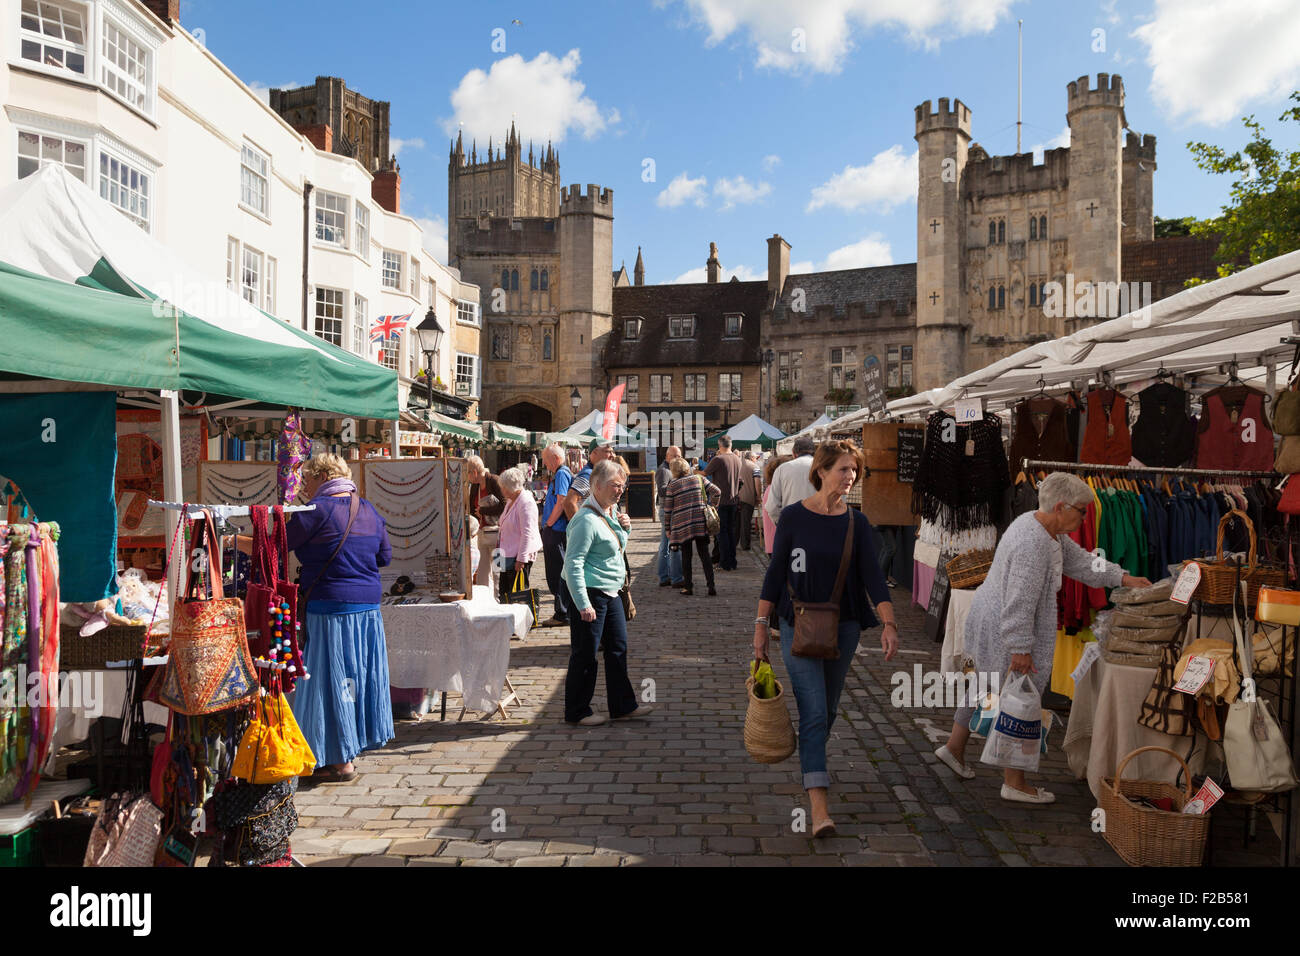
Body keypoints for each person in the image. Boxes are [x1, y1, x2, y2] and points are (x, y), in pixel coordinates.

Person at [935, 472, 1151, 803]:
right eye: (1081, 511)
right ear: (1061, 506)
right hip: (1003, 627)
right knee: (1019, 698)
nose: (1085, 517)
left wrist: (1121, 577)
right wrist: (1020, 649)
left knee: (985, 686)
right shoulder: (1033, 544)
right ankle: (1014, 781)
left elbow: (1080, 562)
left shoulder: (1040, 527)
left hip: (989, 619)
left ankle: (954, 748)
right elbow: (1019, 602)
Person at [754, 440, 899, 837]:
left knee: (828, 710)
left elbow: (873, 577)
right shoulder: (794, 518)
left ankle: (811, 753)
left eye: (855, 470)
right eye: (843, 470)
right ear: (820, 471)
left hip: (845, 627)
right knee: (815, 712)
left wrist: (889, 624)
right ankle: (820, 809)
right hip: (796, 623)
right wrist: (760, 627)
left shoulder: (857, 523)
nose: (850, 477)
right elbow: (774, 572)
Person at [288, 452, 395, 784]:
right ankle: (347, 750)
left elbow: (276, 545)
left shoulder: (315, 511)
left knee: (328, 682)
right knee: (354, 679)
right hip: (366, 609)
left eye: (306, 479)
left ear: (322, 477)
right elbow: (385, 557)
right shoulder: (369, 510)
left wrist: (233, 540)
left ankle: (336, 759)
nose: (304, 486)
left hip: (330, 608)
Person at [562, 460, 654, 725]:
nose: (620, 491)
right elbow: (573, 563)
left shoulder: (607, 512)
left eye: (622, 486)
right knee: (586, 653)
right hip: (590, 592)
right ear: (597, 486)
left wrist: (625, 527)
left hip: (610, 591)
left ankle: (622, 705)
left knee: (617, 648)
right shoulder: (586, 519)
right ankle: (577, 711)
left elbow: (614, 549)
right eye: (616, 485)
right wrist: (582, 603)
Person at [664, 456, 720, 596]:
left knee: (686, 556)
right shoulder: (698, 479)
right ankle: (711, 586)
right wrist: (713, 505)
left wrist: (667, 528)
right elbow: (717, 491)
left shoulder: (673, 485)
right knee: (705, 555)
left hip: (683, 525)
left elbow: (668, 509)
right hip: (700, 523)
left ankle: (688, 587)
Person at [496, 466, 542, 605]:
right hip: (504, 551)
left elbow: (527, 532)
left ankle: (518, 620)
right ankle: (505, 618)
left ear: (511, 487)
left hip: (517, 555)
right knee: (503, 590)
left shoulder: (525, 501)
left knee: (516, 592)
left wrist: (521, 559)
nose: (502, 490)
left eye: (503, 487)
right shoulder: (511, 500)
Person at [539, 444, 573, 628]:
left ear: (555, 458)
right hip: (556, 530)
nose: (544, 463)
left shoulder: (561, 473)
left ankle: (562, 613)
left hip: (557, 530)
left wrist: (548, 523)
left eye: (546, 459)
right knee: (556, 572)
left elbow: (561, 501)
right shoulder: (560, 473)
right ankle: (562, 611)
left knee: (557, 572)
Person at [466, 456, 505, 595]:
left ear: (474, 472)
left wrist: (483, 511)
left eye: (468, 473)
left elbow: (504, 504)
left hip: (499, 535)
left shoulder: (494, 480)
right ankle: (485, 601)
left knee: (498, 570)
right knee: (482, 572)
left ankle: (499, 600)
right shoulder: (475, 486)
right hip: (482, 534)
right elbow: (471, 508)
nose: (468, 477)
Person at [705, 436, 744, 571]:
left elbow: (704, 473)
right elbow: (741, 481)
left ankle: (725, 563)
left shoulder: (718, 459)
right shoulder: (737, 459)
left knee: (722, 533)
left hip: (721, 502)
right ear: (731, 445)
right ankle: (732, 561)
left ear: (719, 445)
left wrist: (693, 471)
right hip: (733, 500)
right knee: (730, 533)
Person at [764, 435, 817, 528]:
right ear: (814, 452)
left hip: (791, 526)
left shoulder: (782, 469)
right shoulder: (825, 468)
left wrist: (782, 524)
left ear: (793, 453)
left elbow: (772, 507)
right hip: (818, 526)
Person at [655, 446, 685, 587]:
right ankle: (676, 578)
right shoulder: (663, 470)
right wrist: (678, 486)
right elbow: (661, 491)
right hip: (667, 511)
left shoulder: (672, 469)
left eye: (679, 456)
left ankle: (664, 577)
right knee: (673, 545)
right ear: (668, 456)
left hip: (671, 511)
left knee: (665, 545)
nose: (679, 458)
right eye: (676, 456)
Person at [565, 438, 614, 520]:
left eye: (613, 451)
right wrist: (579, 526)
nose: (612, 455)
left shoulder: (596, 474)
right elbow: (569, 502)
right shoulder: (588, 475)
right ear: (594, 453)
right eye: (608, 451)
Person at [761, 454, 790, 555]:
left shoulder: (771, 487)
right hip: (778, 543)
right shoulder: (776, 489)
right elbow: (773, 510)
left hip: (774, 542)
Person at [737, 450, 762, 551]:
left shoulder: (738, 464)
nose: (756, 460)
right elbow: (757, 482)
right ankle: (745, 545)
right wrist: (759, 496)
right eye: (756, 458)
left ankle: (734, 543)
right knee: (746, 522)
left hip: (736, 497)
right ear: (752, 458)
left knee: (737, 522)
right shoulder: (754, 467)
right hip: (748, 498)